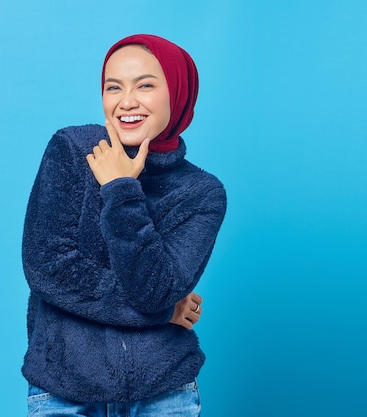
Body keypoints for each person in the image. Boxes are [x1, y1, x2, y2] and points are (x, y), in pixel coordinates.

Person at [21, 34, 227, 416]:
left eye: (145, 85)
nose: (126, 101)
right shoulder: (71, 150)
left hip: (164, 392)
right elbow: (48, 268)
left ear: (178, 94)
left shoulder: (202, 193)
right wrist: (165, 313)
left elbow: (154, 290)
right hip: (63, 391)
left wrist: (121, 190)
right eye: (113, 87)